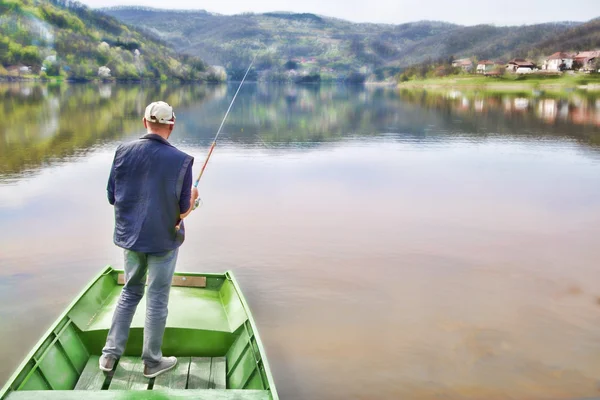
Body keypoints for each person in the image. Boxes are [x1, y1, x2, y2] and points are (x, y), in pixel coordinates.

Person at [99, 101, 199, 378]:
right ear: (172, 125)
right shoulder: (182, 161)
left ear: (145, 123)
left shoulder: (122, 152)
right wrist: (192, 201)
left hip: (130, 239)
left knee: (130, 292)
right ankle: (152, 362)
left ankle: (109, 356)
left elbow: (111, 197)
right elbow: (182, 211)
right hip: (163, 241)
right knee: (156, 299)